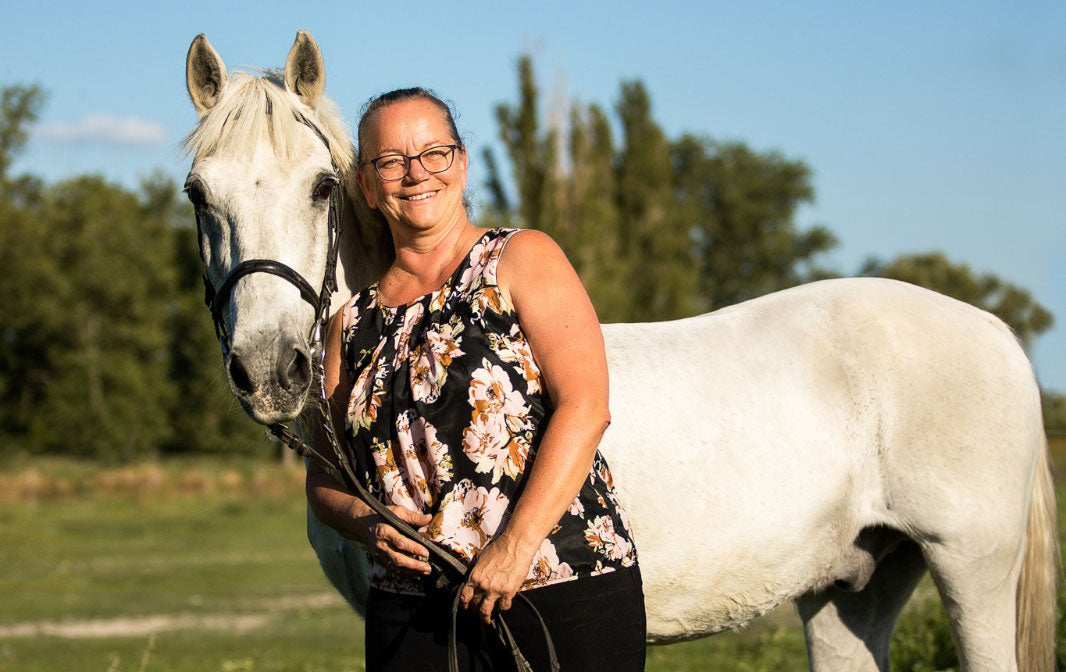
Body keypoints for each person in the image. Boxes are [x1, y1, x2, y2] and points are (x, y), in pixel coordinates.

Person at [306, 87, 645, 671]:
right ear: (366, 185)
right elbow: (322, 478)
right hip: (410, 613)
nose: (416, 174)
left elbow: (586, 406)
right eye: (390, 161)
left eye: (434, 153)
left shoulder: (521, 259)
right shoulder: (347, 327)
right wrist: (365, 524)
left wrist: (515, 547)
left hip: (555, 586)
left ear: (461, 162)